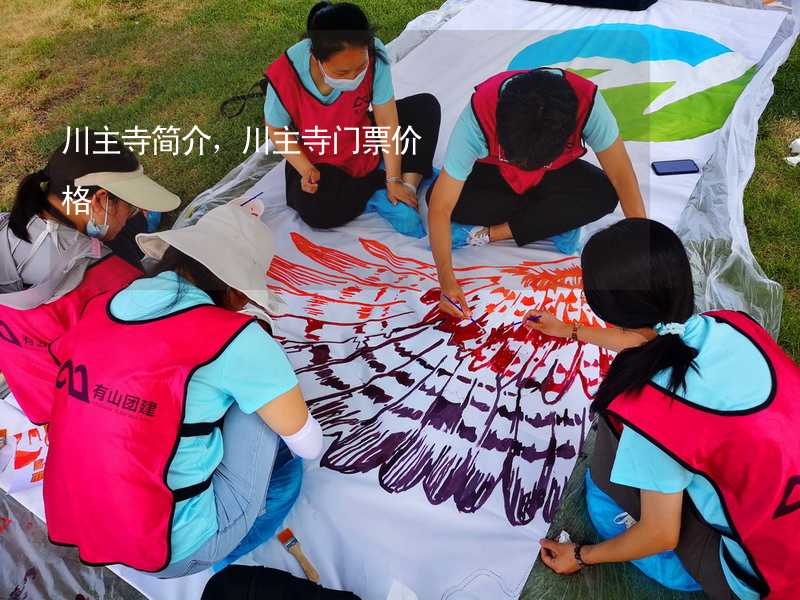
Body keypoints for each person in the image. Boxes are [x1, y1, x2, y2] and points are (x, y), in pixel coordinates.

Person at [523, 219, 799, 600]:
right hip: (781, 514)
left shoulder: (654, 412)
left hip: (764, 578)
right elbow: (659, 337)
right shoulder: (732, 325)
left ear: (609, 310)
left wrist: (581, 556)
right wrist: (571, 331)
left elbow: (660, 534)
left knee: (608, 466)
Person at [43, 203, 324, 577]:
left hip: (88, 527)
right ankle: (230, 545)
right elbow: (309, 444)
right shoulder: (236, 337)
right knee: (274, 430)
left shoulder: (106, 304)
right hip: (177, 548)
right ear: (239, 293)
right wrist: (267, 371)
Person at [429, 68, 646, 320]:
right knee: (438, 196)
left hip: (555, 176)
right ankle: (553, 220)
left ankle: (508, 229)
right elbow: (440, 207)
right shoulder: (478, 115)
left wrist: (641, 252)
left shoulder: (588, 105)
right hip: (498, 175)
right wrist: (446, 281)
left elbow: (622, 176)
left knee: (605, 194)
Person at [0, 132, 180, 424]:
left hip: (40, 400)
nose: (132, 214)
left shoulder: (13, 226)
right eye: (130, 206)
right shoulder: (109, 278)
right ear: (99, 199)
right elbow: (162, 347)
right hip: (101, 412)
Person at [264, 1, 441, 228]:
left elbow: (387, 119)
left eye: (360, 68)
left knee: (425, 107)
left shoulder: (375, 54)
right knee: (316, 208)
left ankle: (406, 188)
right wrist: (306, 169)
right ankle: (377, 186)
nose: (353, 77)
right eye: (342, 72)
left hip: (361, 139)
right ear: (316, 57)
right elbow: (276, 130)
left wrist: (394, 179)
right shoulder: (285, 75)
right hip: (319, 159)